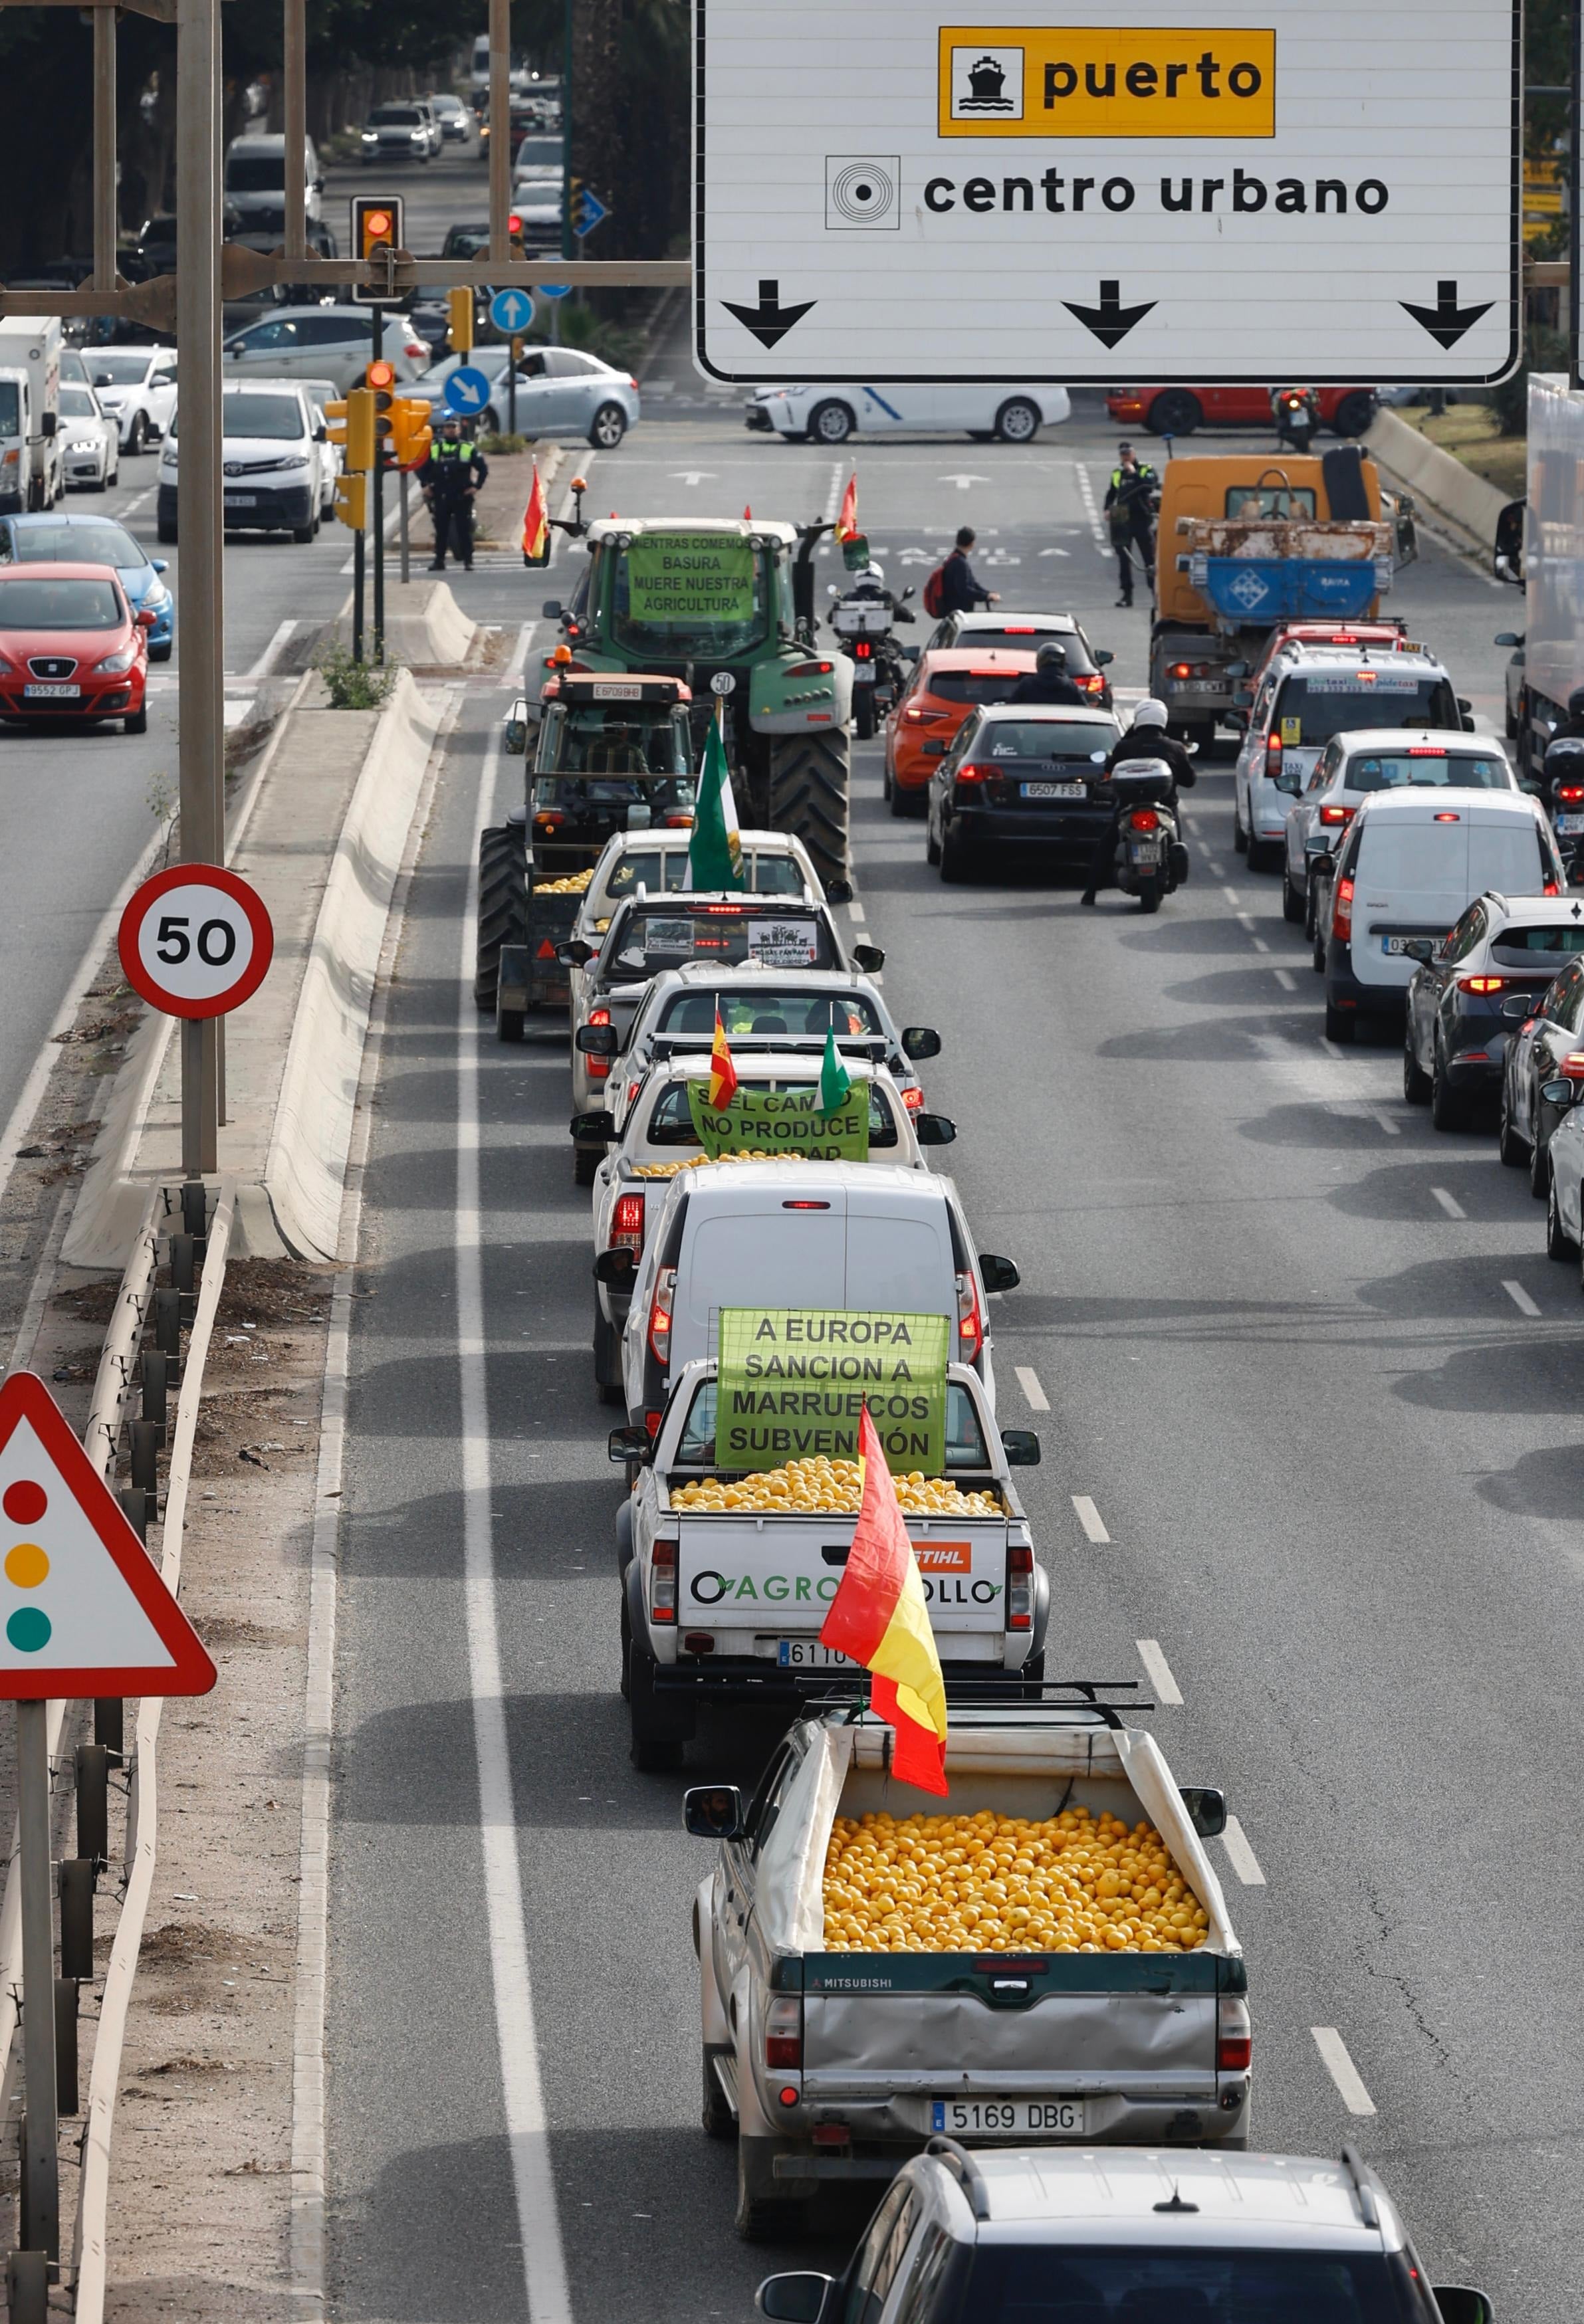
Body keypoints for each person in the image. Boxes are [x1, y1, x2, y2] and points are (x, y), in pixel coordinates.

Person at [1079, 698, 1195, 906]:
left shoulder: (1125, 747)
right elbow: (1190, 781)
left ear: (1138, 720)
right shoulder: (1175, 747)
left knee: (1106, 846)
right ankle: (1175, 877)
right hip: (1166, 807)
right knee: (1177, 841)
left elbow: (1109, 769)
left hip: (1128, 807)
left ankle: (1090, 892)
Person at [422, 414, 489, 572]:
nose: (451, 430)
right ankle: (439, 560)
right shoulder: (435, 447)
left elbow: (483, 469)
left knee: (464, 530)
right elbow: (422, 468)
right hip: (441, 495)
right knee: (441, 531)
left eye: (454, 427)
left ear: (459, 430)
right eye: (448, 427)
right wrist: (425, 485)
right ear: (444, 429)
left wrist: (477, 486)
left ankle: (468, 560)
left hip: (462, 496)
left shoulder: (467, 448)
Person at [1103, 444, 1157, 609]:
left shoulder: (1145, 469)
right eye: (1123, 455)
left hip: (1140, 516)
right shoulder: (1117, 473)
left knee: (1149, 558)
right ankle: (1127, 595)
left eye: (1128, 454)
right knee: (1123, 558)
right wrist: (1106, 508)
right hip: (1121, 516)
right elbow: (1112, 492)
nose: (1126, 457)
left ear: (1134, 454)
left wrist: (1133, 474)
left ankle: (1156, 595)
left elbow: (1149, 485)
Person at [936, 526, 998, 615]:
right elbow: (964, 590)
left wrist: (988, 594)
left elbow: (973, 583)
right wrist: (986, 596)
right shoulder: (960, 563)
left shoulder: (954, 559)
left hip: (953, 610)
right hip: (959, 613)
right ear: (972, 544)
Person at [1008, 640, 1086, 706]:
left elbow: (1010, 709)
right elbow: (1084, 713)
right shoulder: (1071, 687)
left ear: (1039, 662)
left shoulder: (1027, 685)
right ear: (1063, 663)